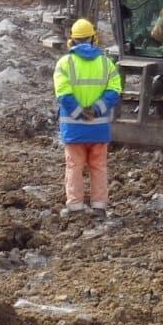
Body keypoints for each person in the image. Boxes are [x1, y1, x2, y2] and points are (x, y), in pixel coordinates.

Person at [52, 17, 124, 215]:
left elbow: (63, 94)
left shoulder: (64, 64)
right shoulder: (107, 63)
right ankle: (99, 206)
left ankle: (75, 206)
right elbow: (115, 90)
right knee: (98, 166)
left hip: (74, 128)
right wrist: (96, 110)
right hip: (99, 128)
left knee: (74, 166)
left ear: (72, 40)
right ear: (94, 39)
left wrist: (79, 113)